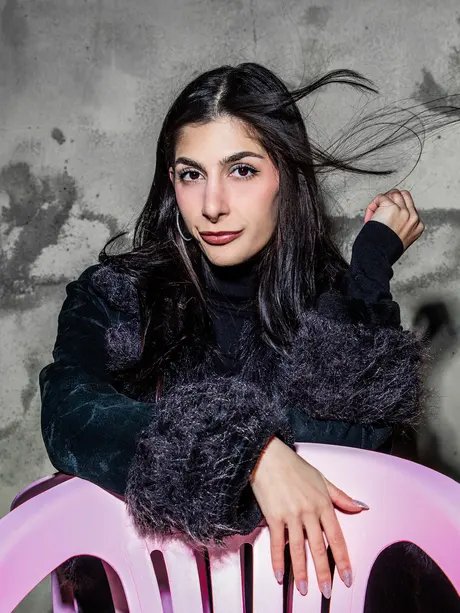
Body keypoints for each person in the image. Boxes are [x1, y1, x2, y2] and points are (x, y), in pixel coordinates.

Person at [39, 63, 459, 612]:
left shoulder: (324, 300)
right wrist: (250, 453)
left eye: (241, 171)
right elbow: (72, 415)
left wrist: (370, 267)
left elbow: (351, 449)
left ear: (286, 176)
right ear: (171, 182)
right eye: (191, 174)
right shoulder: (117, 295)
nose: (212, 205)